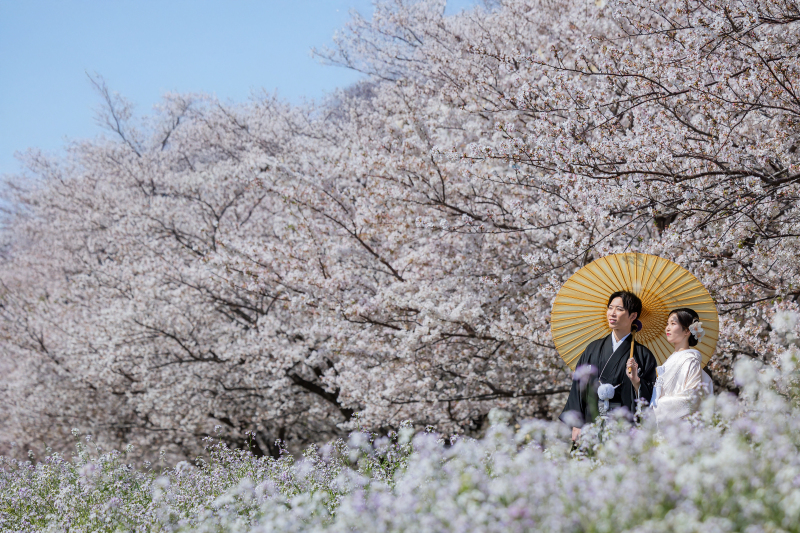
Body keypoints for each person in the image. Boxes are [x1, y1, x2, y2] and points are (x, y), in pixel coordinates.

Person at [560, 291, 658, 441]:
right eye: (610, 308)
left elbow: (651, 397)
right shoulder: (593, 348)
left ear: (633, 316)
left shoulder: (643, 355)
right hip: (590, 421)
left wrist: (636, 382)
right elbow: (578, 385)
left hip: (624, 427)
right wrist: (576, 424)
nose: (612, 313)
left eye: (619, 309)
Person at [651, 308, 712, 423]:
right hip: (663, 423)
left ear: (687, 331)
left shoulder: (690, 360)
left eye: (673, 324)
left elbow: (691, 398)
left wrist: (657, 405)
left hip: (679, 424)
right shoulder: (671, 359)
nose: (667, 328)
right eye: (667, 324)